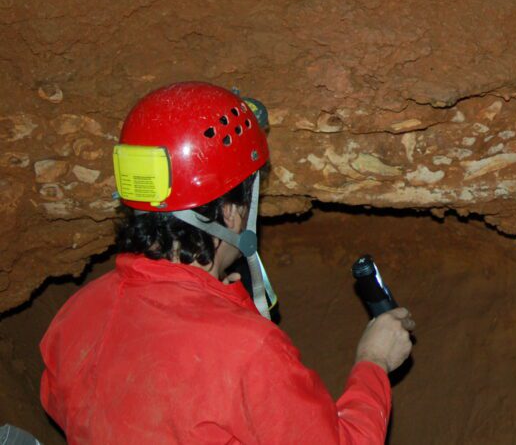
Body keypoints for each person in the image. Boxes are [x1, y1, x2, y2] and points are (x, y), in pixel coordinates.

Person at [39, 81, 414, 443]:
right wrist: (374, 361)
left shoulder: (77, 315)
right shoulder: (248, 351)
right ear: (230, 212)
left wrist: (220, 306)